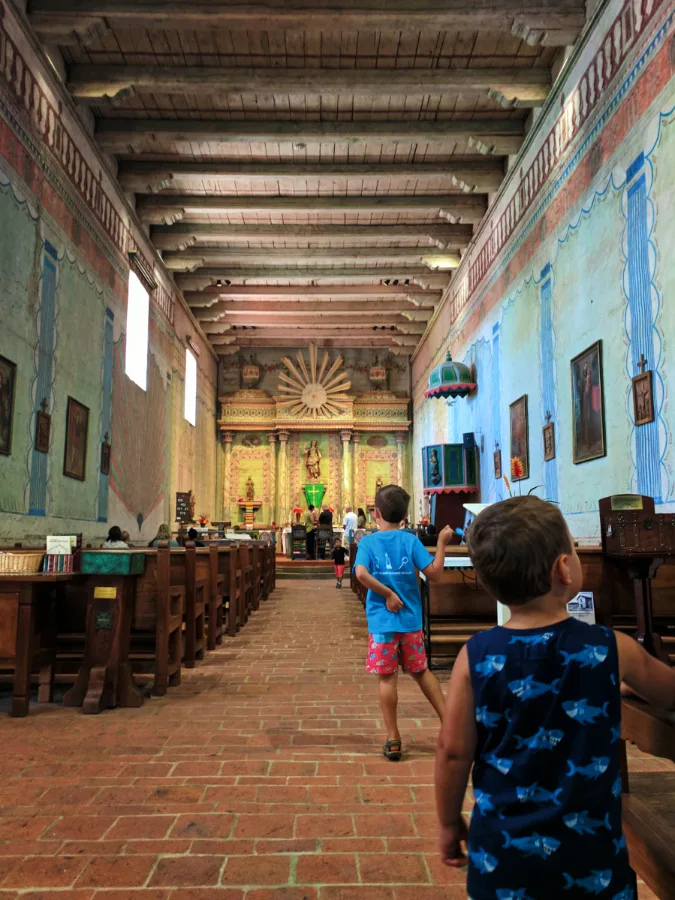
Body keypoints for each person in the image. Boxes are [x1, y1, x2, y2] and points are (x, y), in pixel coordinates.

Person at [435, 496, 675, 900]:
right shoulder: (609, 649)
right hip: (591, 857)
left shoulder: (475, 656)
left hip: (503, 860)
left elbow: (453, 752)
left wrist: (447, 822)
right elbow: (668, 692)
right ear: (564, 569)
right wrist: (620, 677)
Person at [354, 484, 453, 761]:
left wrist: (386, 593)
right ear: (405, 516)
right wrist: (442, 544)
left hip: (383, 626)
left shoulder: (368, 543)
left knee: (387, 679)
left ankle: (393, 737)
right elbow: (434, 574)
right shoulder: (410, 541)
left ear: (376, 513)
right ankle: (452, 727)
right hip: (410, 622)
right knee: (421, 672)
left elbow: (361, 573)